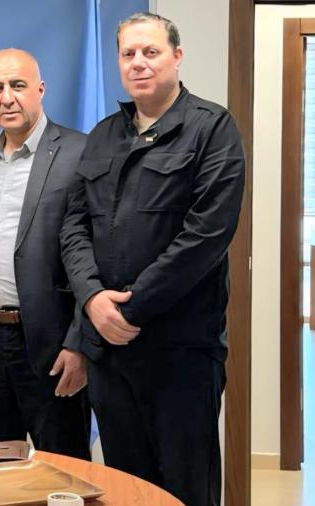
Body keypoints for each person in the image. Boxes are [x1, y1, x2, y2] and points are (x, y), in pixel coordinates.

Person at [60, 13, 245, 506]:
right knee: (125, 487)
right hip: (110, 354)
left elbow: (206, 236)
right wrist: (93, 299)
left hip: (180, 352)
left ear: (176, 57)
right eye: (128, 54)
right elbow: (73, 227)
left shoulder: (212, 128)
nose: (138, 63)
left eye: (151, 52)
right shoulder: (102, 135)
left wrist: (130, 308)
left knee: (185, 489)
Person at [0, 49, 90, 459]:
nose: (6, 97)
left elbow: (93, 257)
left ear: (40, 89)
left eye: (17, 85)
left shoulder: (79, 151)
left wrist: (80, 344)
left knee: (63, 464)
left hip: (51, 340)